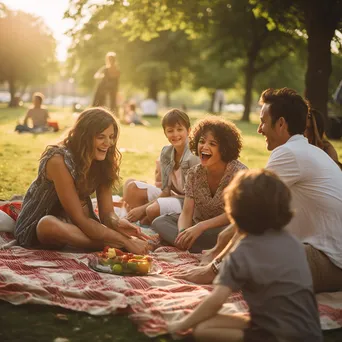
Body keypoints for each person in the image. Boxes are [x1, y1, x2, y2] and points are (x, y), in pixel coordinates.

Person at [174, 88, 342, 293]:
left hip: (329, 262)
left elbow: (249, 213)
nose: (259, 129)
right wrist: (219, 247)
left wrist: (214, 267)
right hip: (324, 256)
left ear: (280, 123)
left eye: (262, 121)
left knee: (252, 249)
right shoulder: (309, 151)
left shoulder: (288, 153)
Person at [168, 169, 323, 342]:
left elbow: (215, 301)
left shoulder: (242, 252)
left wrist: (181, 325)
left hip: (279, 336)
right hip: (310, 331)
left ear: (234, 212)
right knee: (209, 322)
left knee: (202, 330)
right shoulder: (292, 242)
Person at [14, 107, 149, 255]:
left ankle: (114, 243)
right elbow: (80, 219)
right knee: (47, 224)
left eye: (111, 137)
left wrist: (117, 223)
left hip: (75, 226)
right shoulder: (58, 161)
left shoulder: (103, 160)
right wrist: (126, 241)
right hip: (37, 227)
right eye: (101, 137)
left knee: (98, 227)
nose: (108, 143)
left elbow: (107, 214)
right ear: (84, 136)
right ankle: (117, 245)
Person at [152, 116, 247, 253]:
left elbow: (236, 214)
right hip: (197, 227)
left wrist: (201, 227)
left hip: (223, 230)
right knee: (159, 222)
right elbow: (186, 212)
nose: (204, 147)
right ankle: (193, 246)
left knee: (233, 233)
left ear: (224, 149)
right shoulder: (194, 173)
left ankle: (199, 247)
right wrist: (183, 233)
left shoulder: (239, 173)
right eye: (201, 141)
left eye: (213, 144)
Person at [123, 109, 200, 225]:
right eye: (170, 131)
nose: (175, 134)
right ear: (165, 133)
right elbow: (166, 191)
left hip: (189, 202)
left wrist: (143, 209)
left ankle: (145, 222)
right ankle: (138, 223)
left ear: (188, 131)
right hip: (173, 196)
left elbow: (193, 197)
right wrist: (143, 209)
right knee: (132, 186)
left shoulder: (193, 156)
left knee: (151, 210)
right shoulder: (166, 152)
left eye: (180, 129)